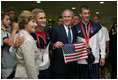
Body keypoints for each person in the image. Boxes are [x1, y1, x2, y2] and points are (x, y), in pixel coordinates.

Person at [74, 6, 106, 79]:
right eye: (85, 13)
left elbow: (102, 42)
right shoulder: (76, 28)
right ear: (80, 14)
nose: (87, 15)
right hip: (81, 61)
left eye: (88, 13)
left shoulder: (97, 26)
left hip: (94, 60)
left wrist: (103, 57)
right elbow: (73, 44)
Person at [50, 9, 77, 79]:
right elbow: (49, 43)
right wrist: (54, 45)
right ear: (62, 18)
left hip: (71, 67)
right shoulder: (55, 29)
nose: (66, 19)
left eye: (69, 16)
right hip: (59, 67)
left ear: (72, 18)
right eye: (65, 17)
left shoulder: (74, 30)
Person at [14, 10, 39, 79]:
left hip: (20, 74)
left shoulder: (18, 35)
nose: (36, 24)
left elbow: (14, 55)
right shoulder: (28, 40)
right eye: (33, 22)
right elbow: (30, 65)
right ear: (25, 23)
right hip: (26, 76)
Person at [32, 8, 51, 79]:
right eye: (41, 18)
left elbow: (50, 44)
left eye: (44, 17)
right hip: (35, 69)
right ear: (34, 19)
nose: (44, 20)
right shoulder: (30, 33)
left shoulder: (48, 30)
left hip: (47, 67)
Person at [1, 11, 18, 79]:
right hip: (6, 67)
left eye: (9, 20)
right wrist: (14, 30)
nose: (9, 22)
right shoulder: (1, 31)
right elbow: (9, 43)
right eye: (7, 19)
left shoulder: (6, 31)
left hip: (11, 65)